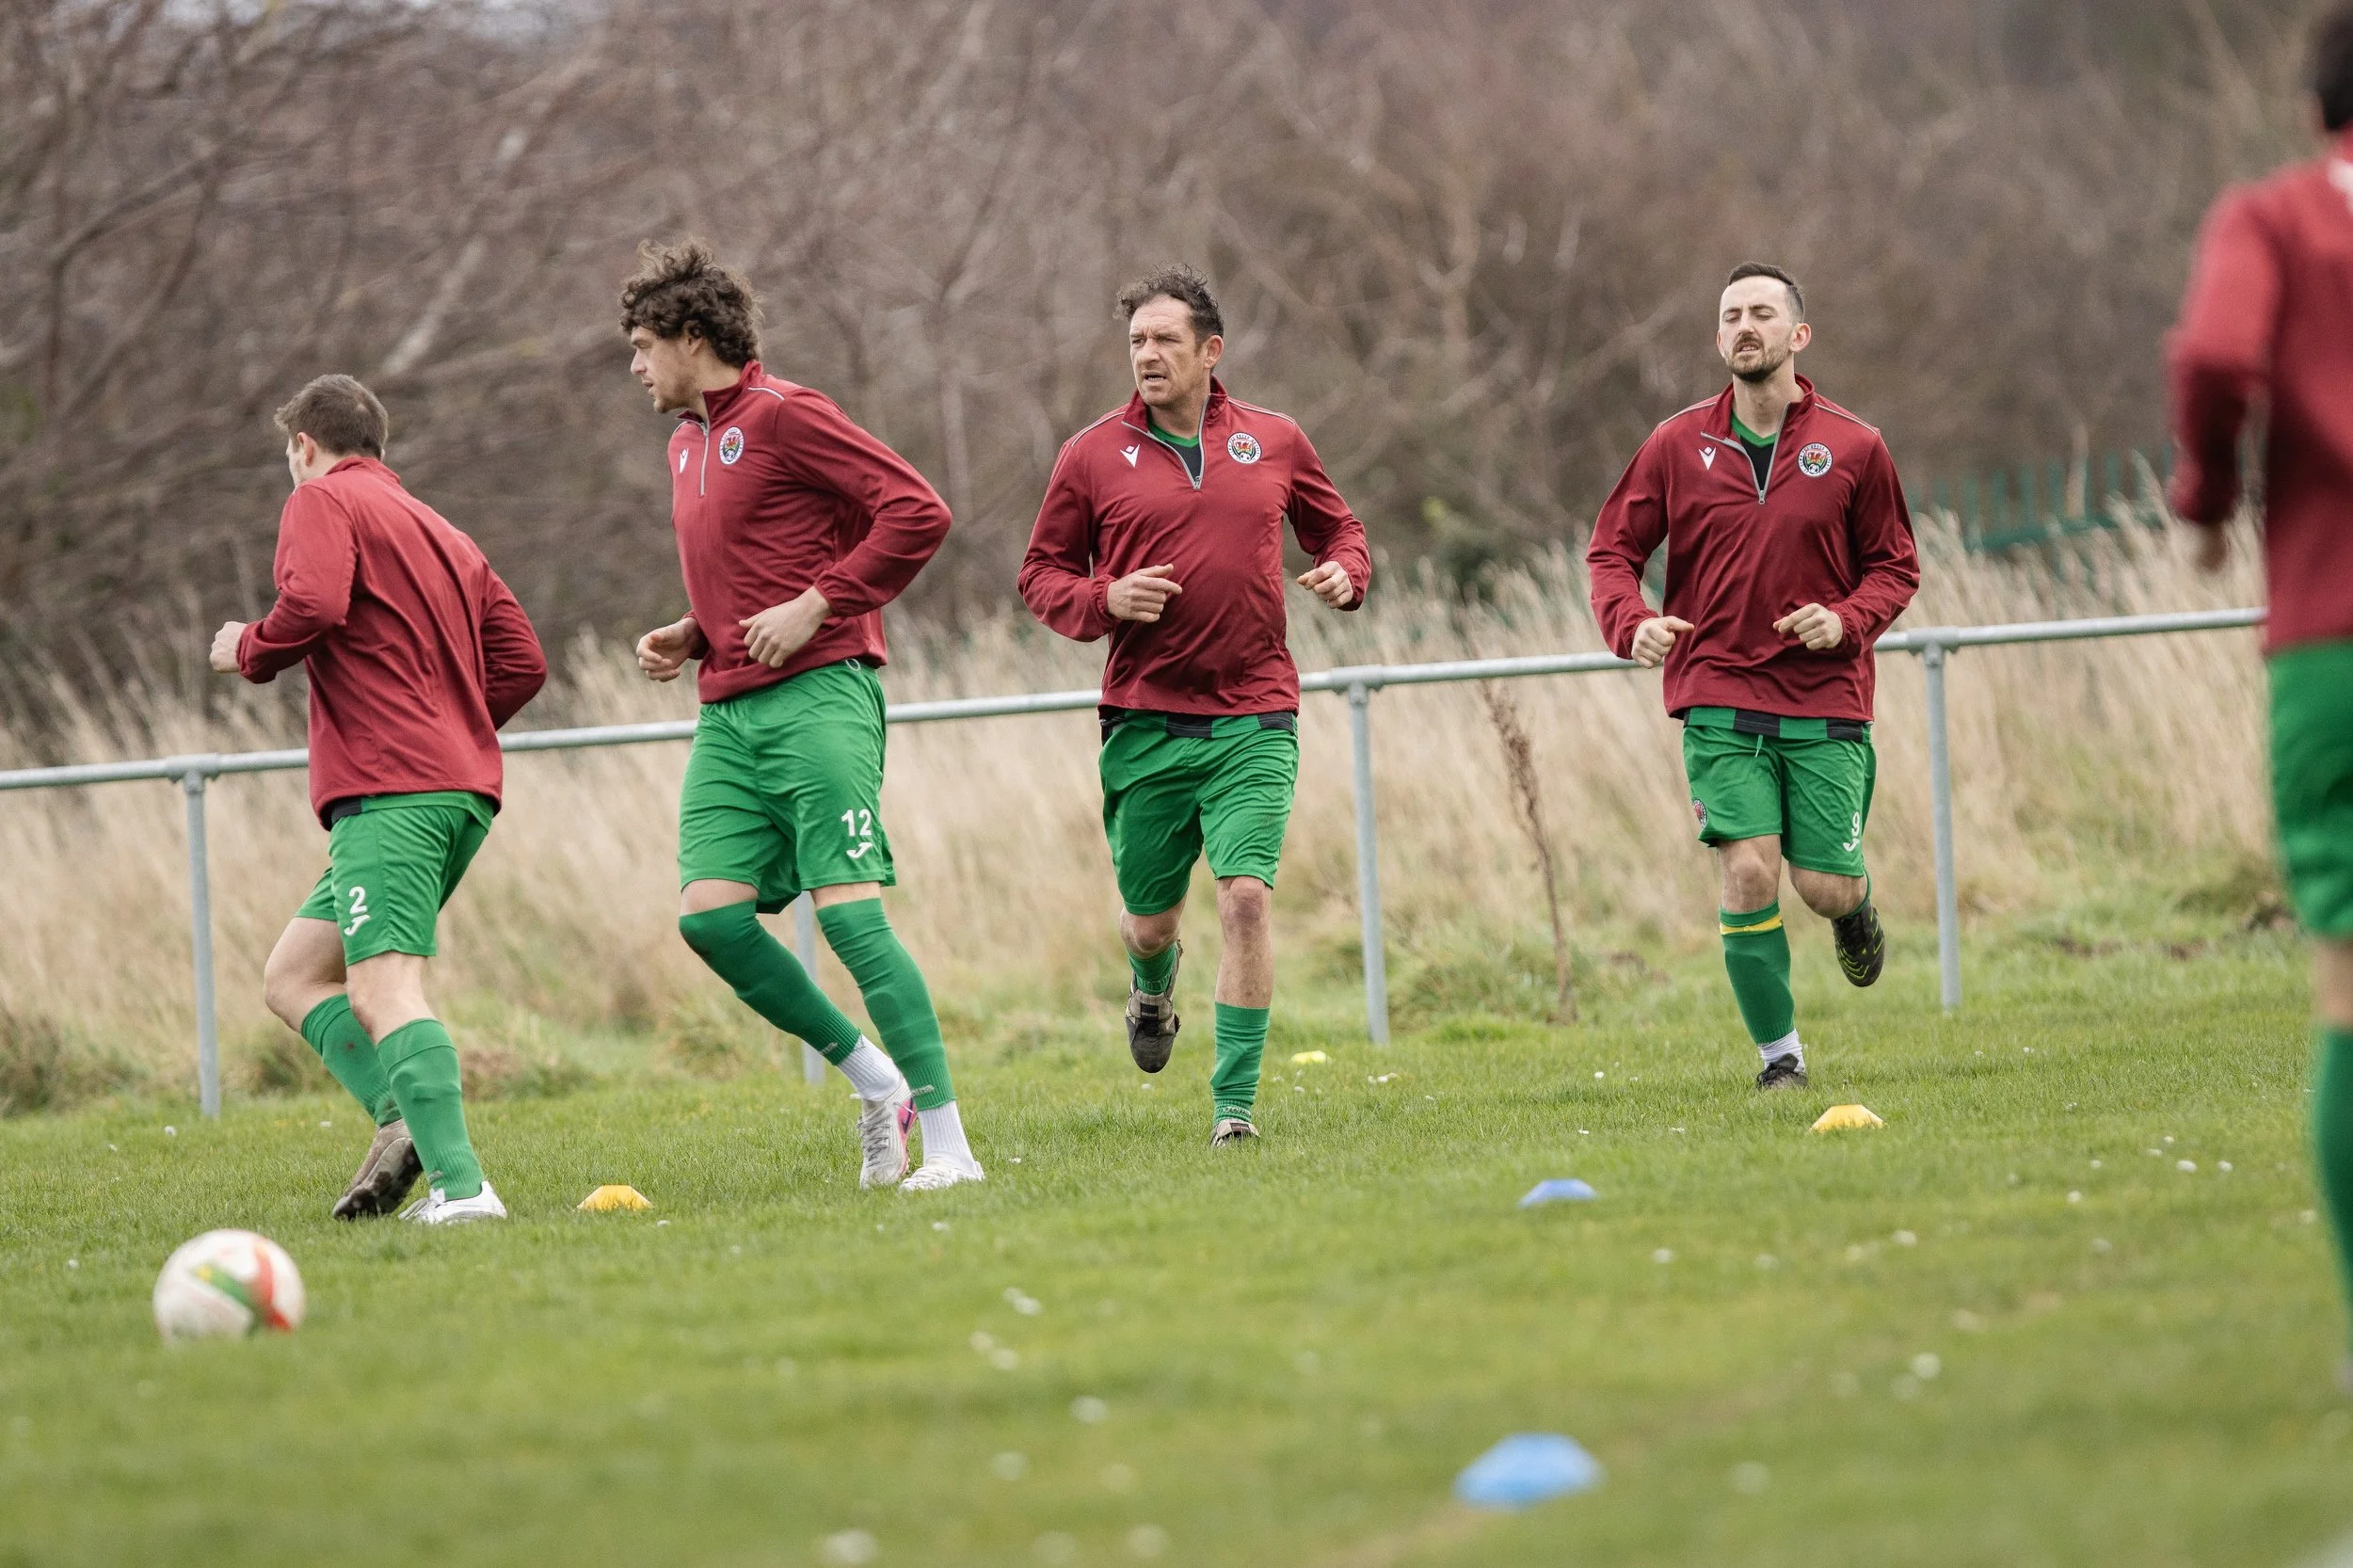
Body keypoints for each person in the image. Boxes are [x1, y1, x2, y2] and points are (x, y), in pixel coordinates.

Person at [620, 240, 983, 1191]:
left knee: (853, 921)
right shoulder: (685, 442)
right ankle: (876, 1084)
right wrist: (698, 630)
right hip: (727, 712)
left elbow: (917, 510)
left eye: (643, 345)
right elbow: (757, 559)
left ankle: (949, 1146)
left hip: (822, 695)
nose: (636, 366)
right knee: (712, 921)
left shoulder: (787, 415)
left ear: (693, 340)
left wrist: (820, 602)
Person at [1019, 264, 1371, 1146]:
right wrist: (1106, 600)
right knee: (1150, 923)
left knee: (1246, 898)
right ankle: (1151, 986)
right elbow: (1040, 576)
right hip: (1144, 722)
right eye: (1136, 340)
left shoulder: (1276, 440)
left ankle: (1235, 1110)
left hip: (1256, 715)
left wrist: (1345, 572)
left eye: (1165, 339)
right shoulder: (1091, 455)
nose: (1147, 354)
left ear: (1211, 351)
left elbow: (1340, 530)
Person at [212, 374, 547, 1224]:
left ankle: (464, 1191)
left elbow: (315, 602)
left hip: (393, 789)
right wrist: (454, 728)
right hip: (454, 789)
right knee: (293, 976)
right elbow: (522, 660)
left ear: (304, 446)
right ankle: (402, 1117)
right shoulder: (442, 529)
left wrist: (247, 648)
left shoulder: (322, 499)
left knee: (383, 986)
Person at [1588, 263, 1919, 1091]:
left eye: (1762, 313)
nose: (1745, 325)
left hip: (1826, 699)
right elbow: (1612, 554)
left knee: (1823, 887)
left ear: (1797, 335)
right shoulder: (1675, 444)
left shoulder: (1856, 447)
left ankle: (1858, 907)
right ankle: (1782, 1062)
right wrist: (1632, 623)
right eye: (1732, 314)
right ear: (1718, 336)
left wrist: (1844, 619)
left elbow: (1895, 568)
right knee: (1746, 869)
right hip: (1717, 695)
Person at [2168, 2, 2353, 1373]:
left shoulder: (2277, 220)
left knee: (2348, 979)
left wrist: (2208, 499)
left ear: (2314, 109)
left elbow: (2215, 356)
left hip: (2332, 640)